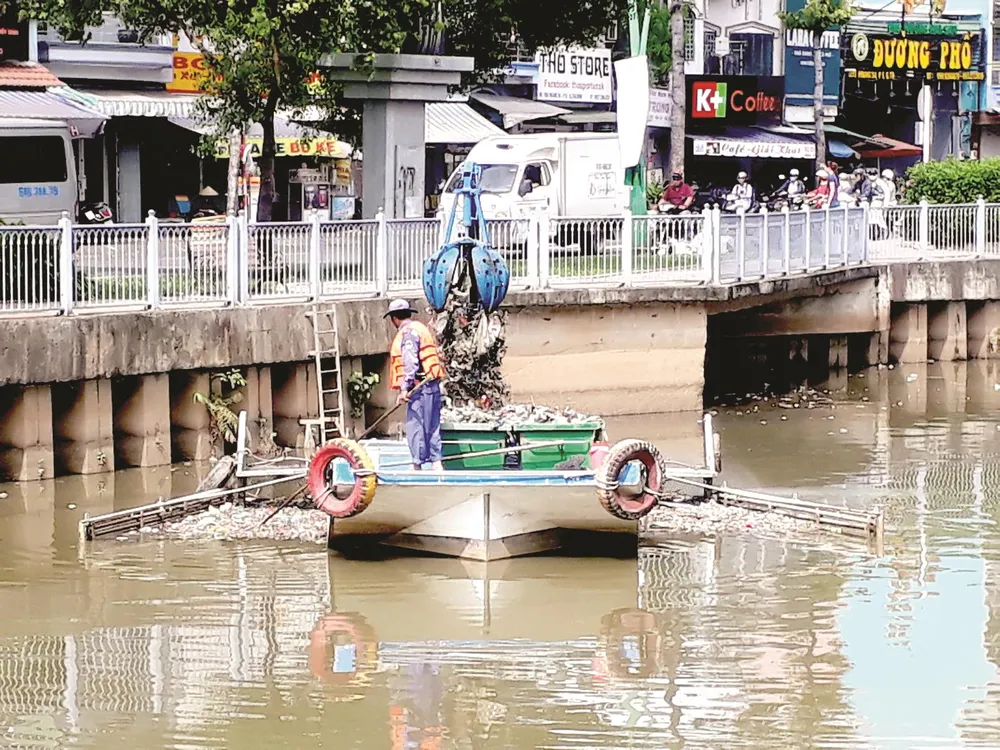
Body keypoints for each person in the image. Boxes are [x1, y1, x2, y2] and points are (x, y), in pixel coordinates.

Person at [386, 299, 446, 471]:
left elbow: (410, 363)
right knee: (432, 425)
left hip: (420, 387)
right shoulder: (420, 328)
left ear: (394, 319)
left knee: (416, 426)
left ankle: (417, 467)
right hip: (431, 385)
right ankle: (436, 464)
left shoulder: (408, 334)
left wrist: (405, 389)